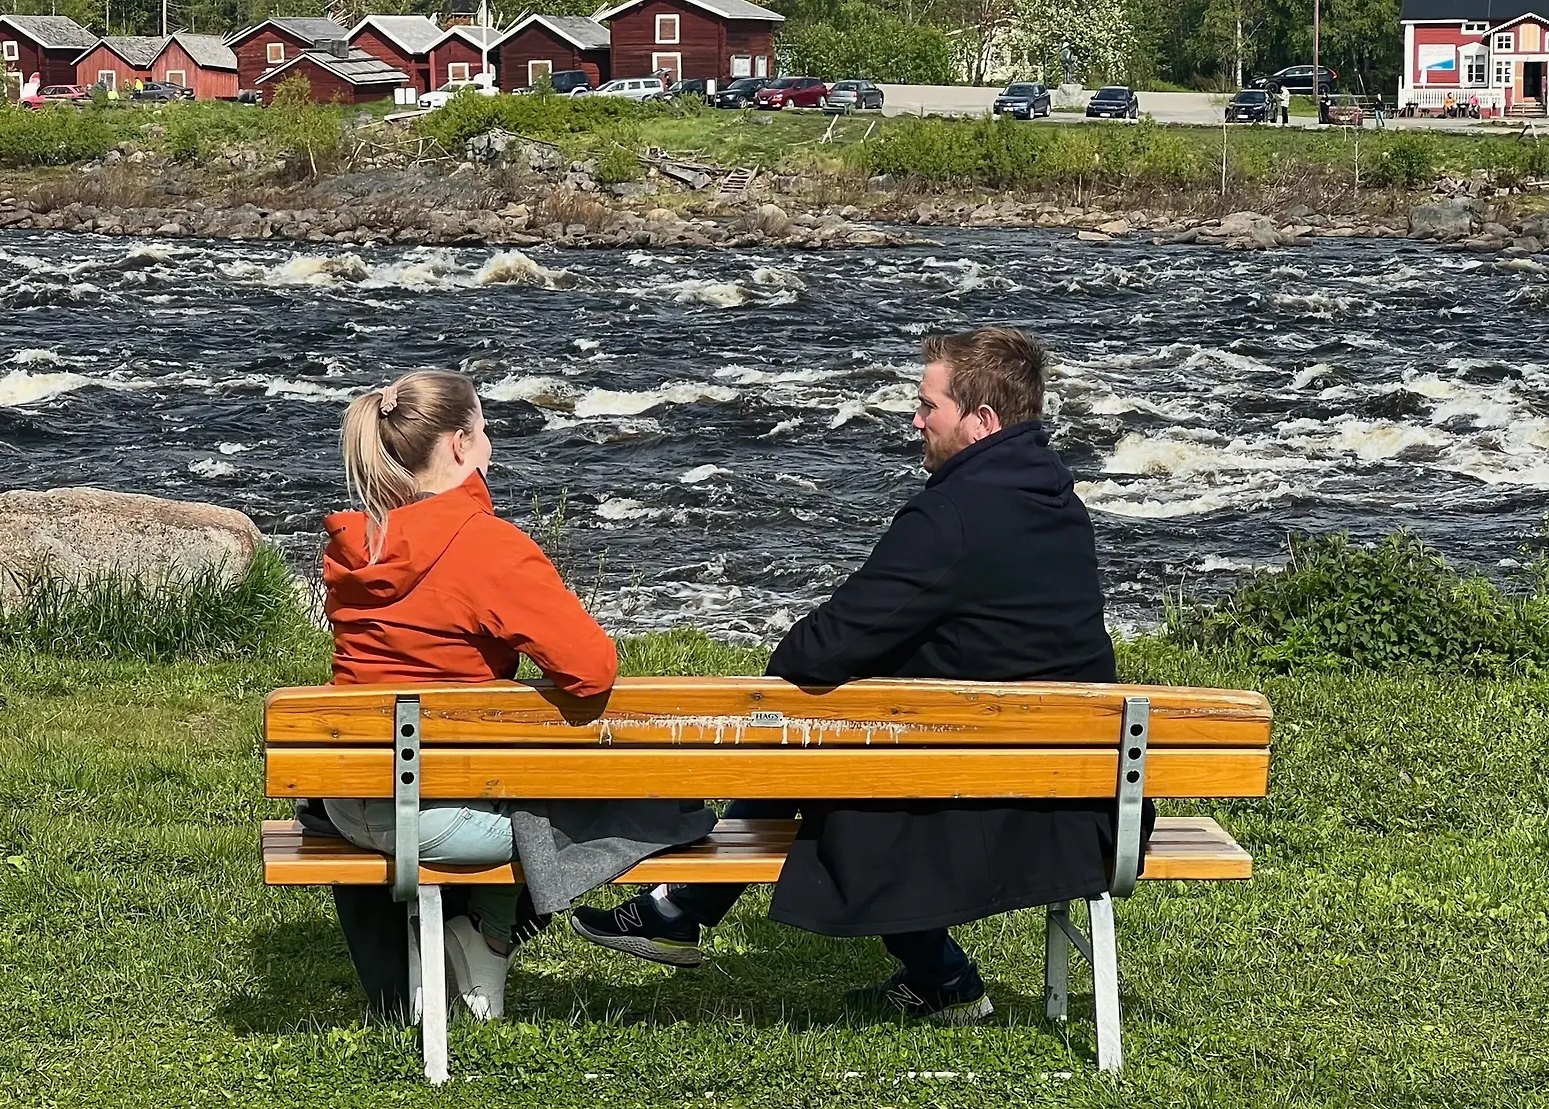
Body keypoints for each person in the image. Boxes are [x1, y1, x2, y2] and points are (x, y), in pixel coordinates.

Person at [571, 329, 1148, 1024]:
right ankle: (690, 910)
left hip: (988, 804)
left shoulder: (953, 515)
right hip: (1081, 798)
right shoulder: (1058, 504)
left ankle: (694, 911)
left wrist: (800, 665)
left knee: (822, 752)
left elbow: (820, 650)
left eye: (928, 406)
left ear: (982, 421)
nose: (916, 420)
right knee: (838, 755)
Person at [320, 369, 714, 1020]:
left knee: (527, 784)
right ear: (459, 444)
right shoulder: (487, 547)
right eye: (484, 428)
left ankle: (484, 946)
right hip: (442, 820)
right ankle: (491, 935)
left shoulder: (354, 546)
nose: (490, 442)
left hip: (348, 801)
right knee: (652, 807)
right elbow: (592, 669)